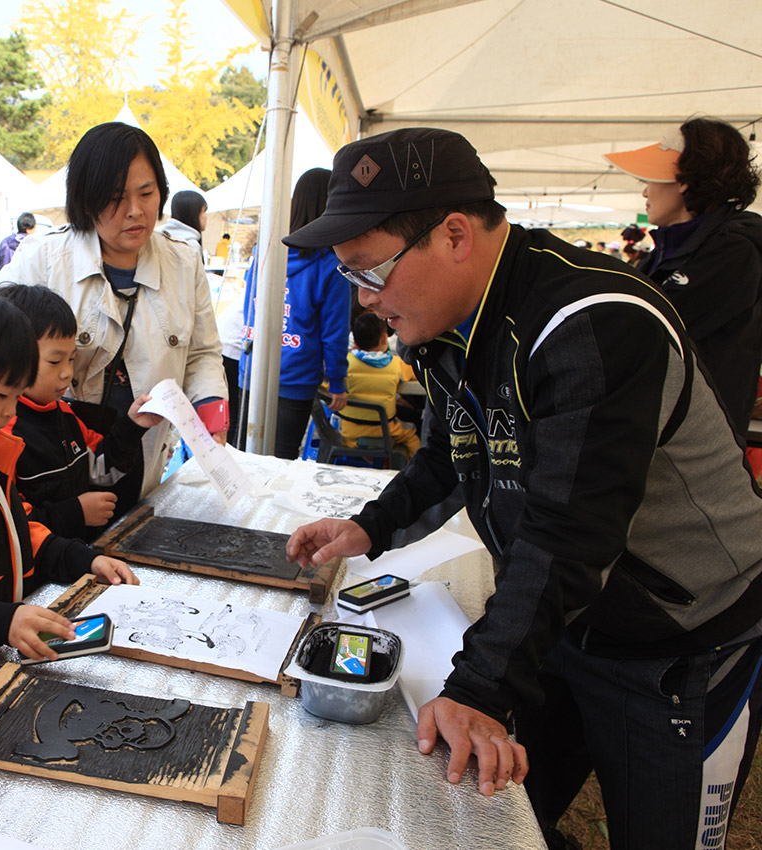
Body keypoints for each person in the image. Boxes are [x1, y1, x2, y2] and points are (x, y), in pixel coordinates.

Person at [283, 127, 762, 850]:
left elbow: (569, 532)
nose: (366, 302)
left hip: (680, 640)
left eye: (368, 273)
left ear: (452, 235)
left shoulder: (594, 321)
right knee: (508, 813)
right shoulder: (448, 325)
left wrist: (478, 687)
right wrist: (370, 527)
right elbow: (449, 455)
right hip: (569, 617)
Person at [0, 122, 227, 496]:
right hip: (52, 468)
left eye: (147, 193)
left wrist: (212, 413)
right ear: (86, 200)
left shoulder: (184, 263)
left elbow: (202, 353)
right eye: (116, 198)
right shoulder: (42, 260)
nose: (135, 211)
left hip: (142, 456)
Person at [0, 290, 138, 663]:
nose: (11, 411)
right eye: (2, 395)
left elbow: (22, 531)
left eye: (17, 396)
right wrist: (2, 620)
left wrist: (85, 560)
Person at [605, 118, 762, 436]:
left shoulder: (733, 249)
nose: (645, 191)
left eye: (651, 179)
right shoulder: (669, 248)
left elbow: (642, 330)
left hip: (696, 444)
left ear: (686, 180)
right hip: (655, 429)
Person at [0, 283, 162, 541]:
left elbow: (100, 470)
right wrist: (76, 513)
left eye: (71, 359)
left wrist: (132, 426)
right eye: (54, 361)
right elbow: (9, 525)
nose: (67, 373)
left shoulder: (64, 413)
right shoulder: (1, 433)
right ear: (11, 357)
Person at [240, 167, 351, 459]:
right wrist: (338, 382)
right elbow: (335, 333)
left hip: (251, 369)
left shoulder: (264, 251)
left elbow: (248, 309)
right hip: (296, 377)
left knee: (245, 459)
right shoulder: (331, 264)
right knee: (280, 461)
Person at [341, 313, 419, 460]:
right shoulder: (396, 365)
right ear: (384, 339)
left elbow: (327, 384)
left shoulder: (345, 363)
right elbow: (416, 375)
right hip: (385, 432)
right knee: (411, 435)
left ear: (355, 342)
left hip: (349, 433)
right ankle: (416, 469)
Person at [160, 189, 209, 261]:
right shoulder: (191, 246)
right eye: (204, 211)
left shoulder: (158, 237)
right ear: (193, 213)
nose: (206, 216)